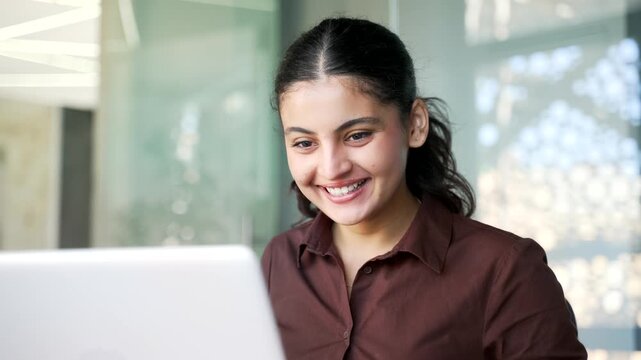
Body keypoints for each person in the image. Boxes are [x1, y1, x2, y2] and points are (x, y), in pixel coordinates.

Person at [261, 17, 587, 360]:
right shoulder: (277, 262)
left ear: (415, 124)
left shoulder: (507, 271)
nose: (331, 168)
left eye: (357, 135)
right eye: (304, 143)